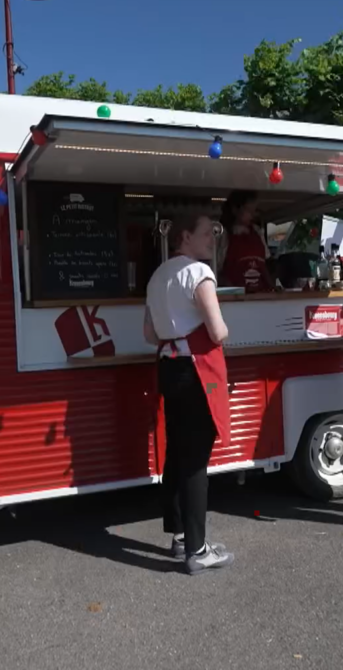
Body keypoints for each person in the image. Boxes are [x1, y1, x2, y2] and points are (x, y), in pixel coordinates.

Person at [143, 214, 235, 575]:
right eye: (206, 232)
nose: (212, 239)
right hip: (196, 371)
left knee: (177, 456)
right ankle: (197, 551)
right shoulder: (199, 274)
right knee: (196, 462)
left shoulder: (157, 276)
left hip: (168, 368)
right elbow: (218, 331)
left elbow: (151, 334)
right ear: (185, 236)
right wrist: (223, 328)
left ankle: (181, 536)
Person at [219, 190, 272, 292]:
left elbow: (264, 266)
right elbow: (218, 269)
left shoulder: (257, 231)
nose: (252, 215)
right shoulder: (224, 234)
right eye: (248, 210)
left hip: (260, 294)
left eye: (254, 210)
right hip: (236, 295)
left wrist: (272, 286)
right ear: (235, 209)